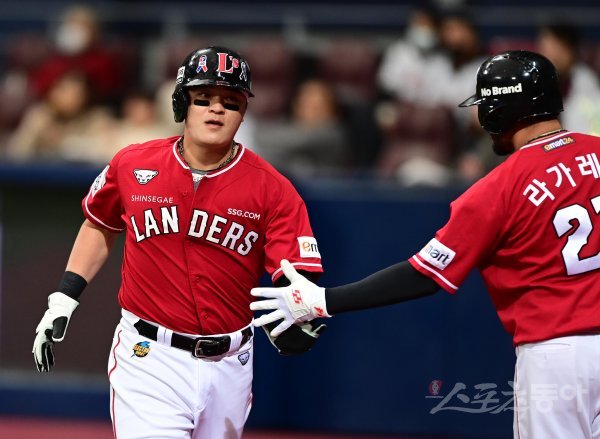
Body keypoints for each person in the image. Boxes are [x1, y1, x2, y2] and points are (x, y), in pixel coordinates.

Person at [251, 50, 600, 439]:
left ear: (499, 109)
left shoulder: (498, 188)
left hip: (556, 356)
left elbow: (423, 275)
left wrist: (322, 300)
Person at [32, 46, 326, 439]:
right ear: (180, 104)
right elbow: (99, 224)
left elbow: (297, 273)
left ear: (243, 112)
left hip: (231, 364)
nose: (216, 109)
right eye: (203, 98)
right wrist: (65, 296)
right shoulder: (133, 164)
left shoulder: (273, 189)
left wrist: (297, 309)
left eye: (231, 101)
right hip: (148, 356)